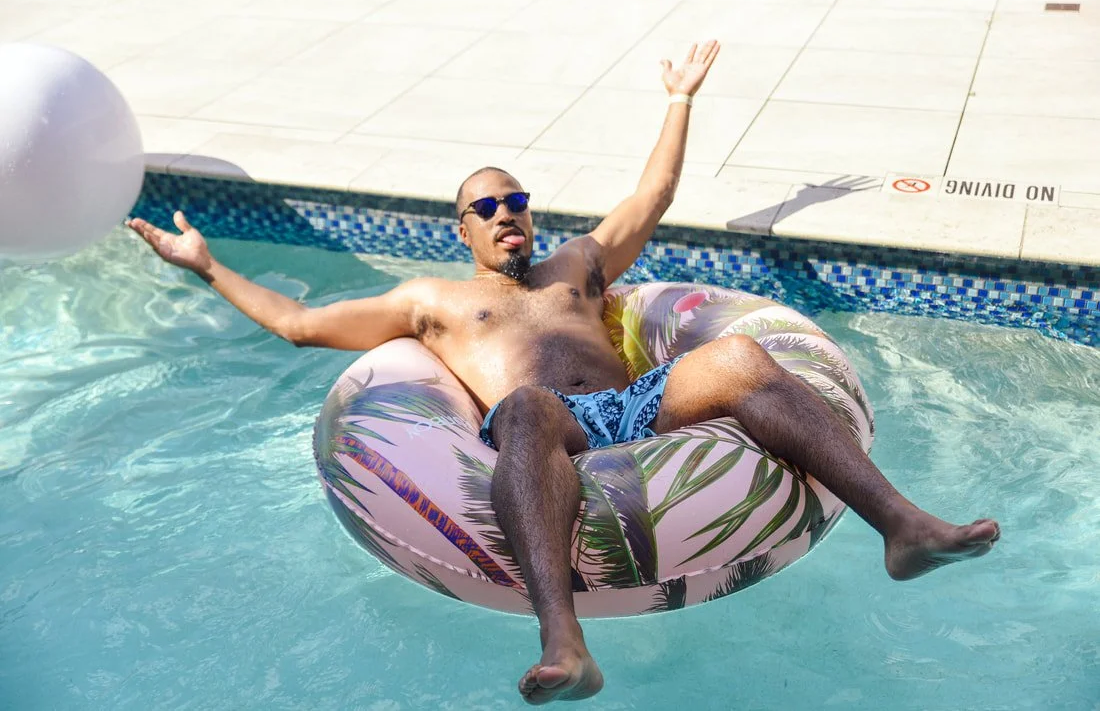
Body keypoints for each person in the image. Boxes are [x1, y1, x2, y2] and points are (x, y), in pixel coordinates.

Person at [128, 40, 1000, 705]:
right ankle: (566, 645)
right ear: (460, 229)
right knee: (531, 406)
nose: (509, 215)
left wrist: (677, 100)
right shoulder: (431, 300)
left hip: (636, 404)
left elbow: (651, 197)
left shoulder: (578, 263)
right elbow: (298, 324)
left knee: (736, 357)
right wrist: (206, 265)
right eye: (489, 207)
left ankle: (904, 528)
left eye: (517, 200)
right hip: (547, 427)